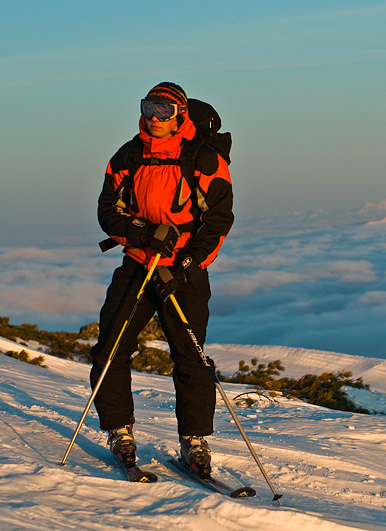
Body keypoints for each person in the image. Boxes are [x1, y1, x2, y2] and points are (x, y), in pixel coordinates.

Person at [90, 82, 234, 477]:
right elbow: (108, 211)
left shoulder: (203, 158)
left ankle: (194, 441)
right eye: (148, 107)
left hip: (183, 270)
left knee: (191, 356)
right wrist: (141, 232)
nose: (154, 117)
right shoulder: (128, 156)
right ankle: (119, 432)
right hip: (138, 262)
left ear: (180, 114)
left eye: (164, 110)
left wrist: (186, 264)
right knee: (110, 349)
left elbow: (218, 220)